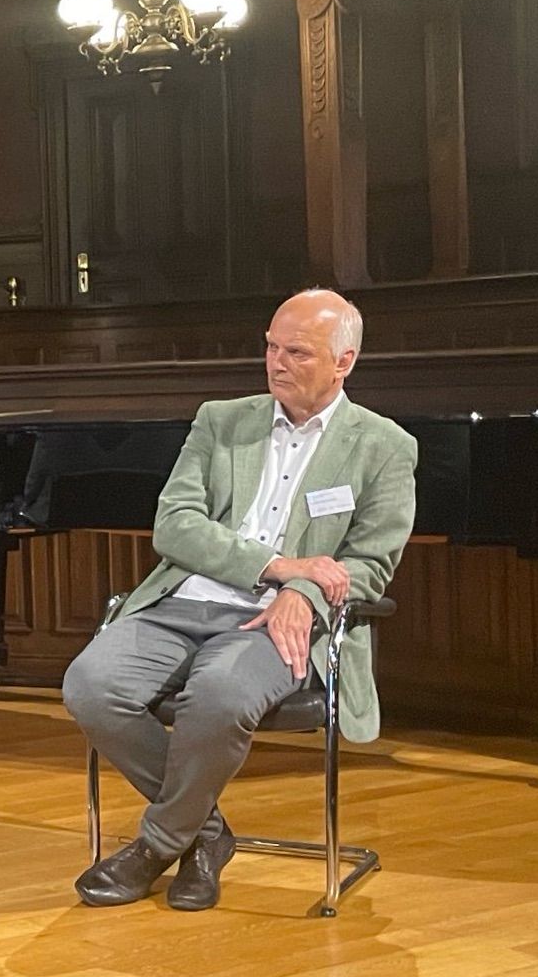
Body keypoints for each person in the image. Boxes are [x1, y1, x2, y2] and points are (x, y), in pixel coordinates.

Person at [62, 290, 418, 912]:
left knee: (220, 695)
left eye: (296, 352)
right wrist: (278, 566)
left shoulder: (383, 447)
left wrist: (302, 593)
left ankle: (155, 845)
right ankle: (205, 834)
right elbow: (174, 524)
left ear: (344, 362)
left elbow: (371, 565)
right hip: (184, 600)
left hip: (276, 622)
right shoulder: (221, 420)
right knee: (90, 684)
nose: (276, 362)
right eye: (271, 347)